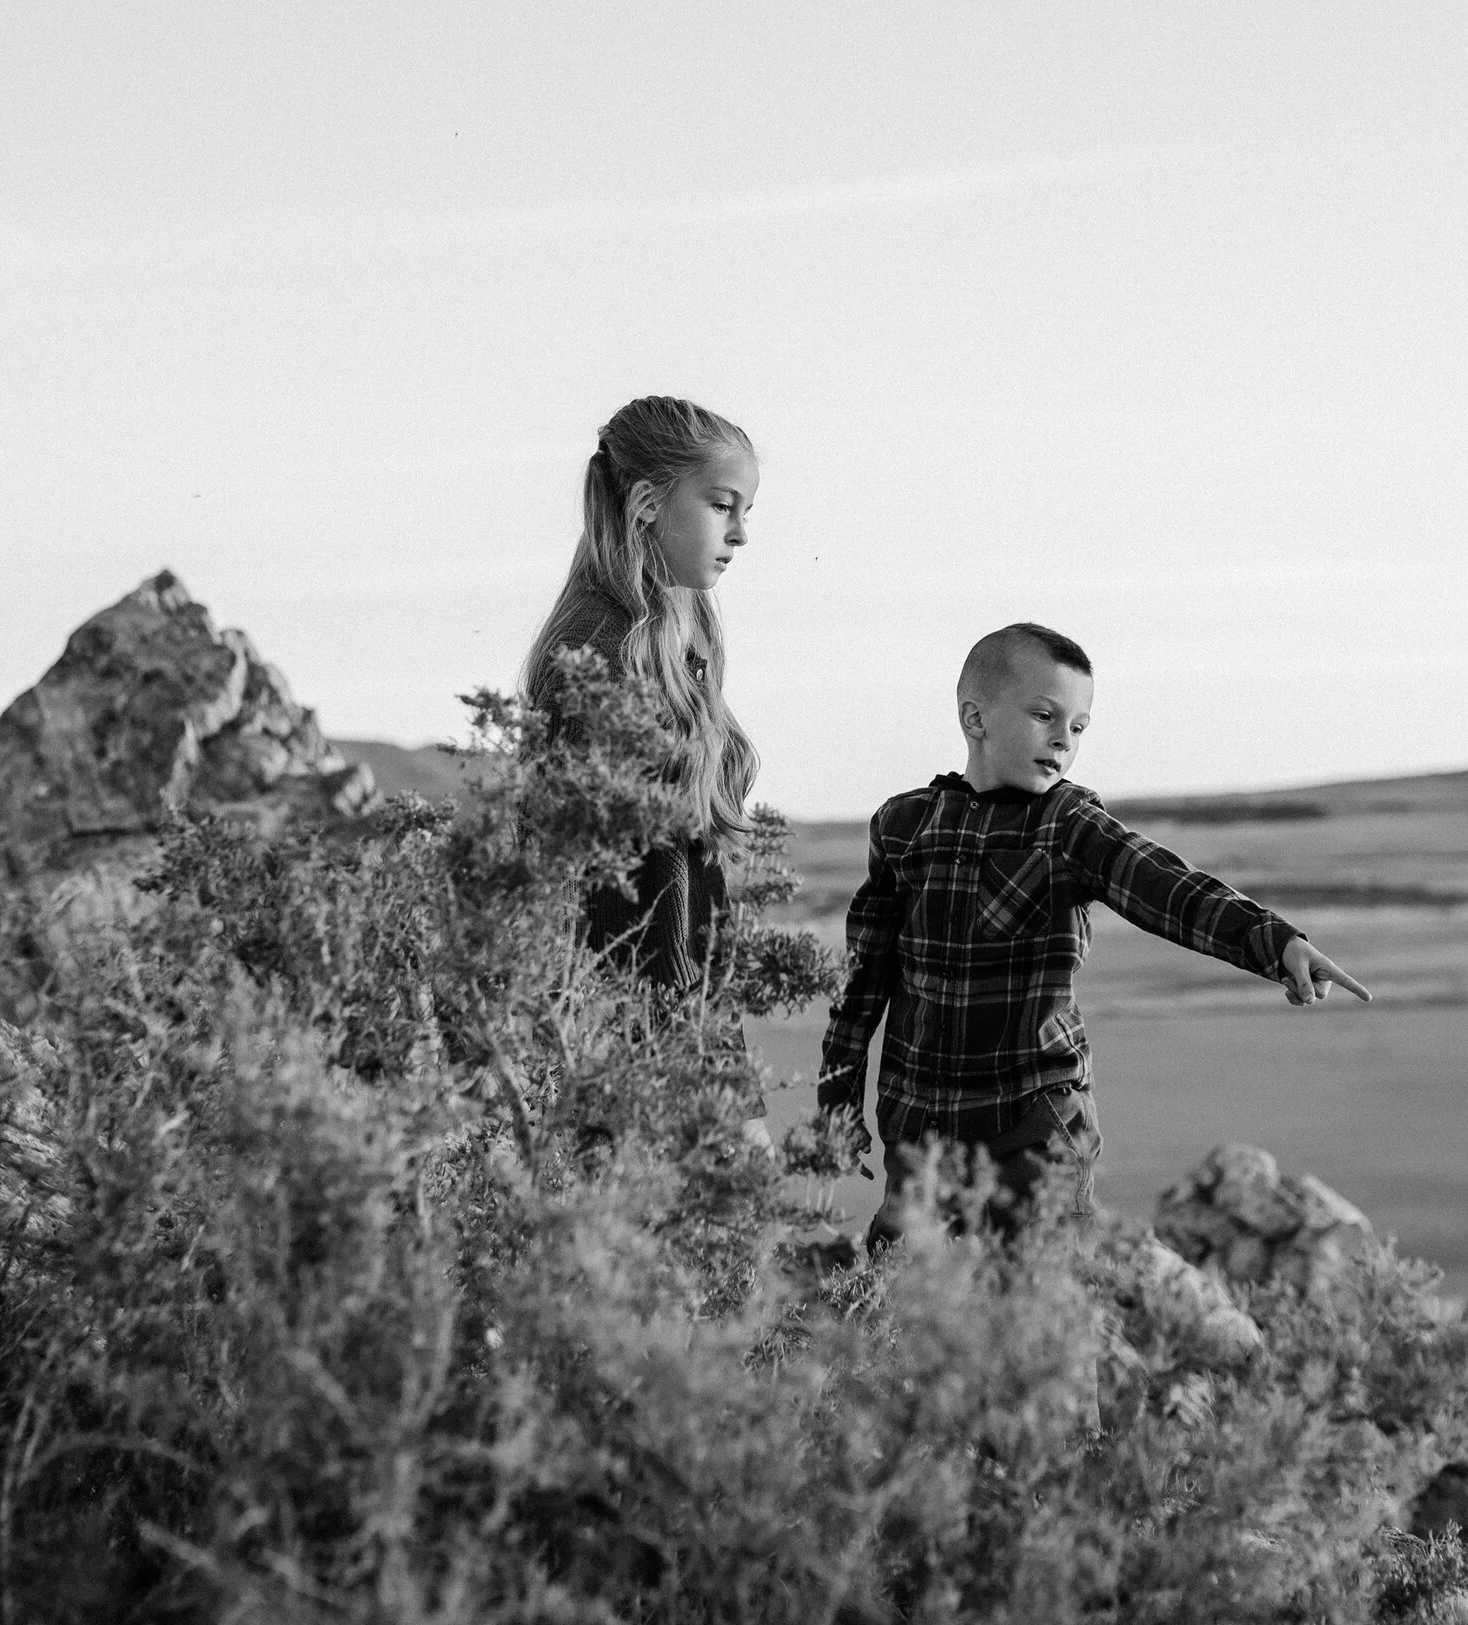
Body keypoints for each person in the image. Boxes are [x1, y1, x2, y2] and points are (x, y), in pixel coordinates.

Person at [816, 622, 1370, 1253]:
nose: (1062, 739)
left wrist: (1273, 942)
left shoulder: (1069, 823)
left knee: (1045, 1310)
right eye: (1044, 715)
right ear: (976, 718)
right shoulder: (903, 825)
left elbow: (1164, 884)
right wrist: (838, 1094)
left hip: (1033, 1125)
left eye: (1078, 728)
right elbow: (863, 979)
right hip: (919, 1128)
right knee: (903, 1303)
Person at [520, 395, 761, 990]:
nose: (740, 534)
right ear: (648, 503)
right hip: (626, 1018)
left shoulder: (679, 642)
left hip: (687, 1004)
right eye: (721, 505)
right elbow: (574, 882)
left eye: (747, 511)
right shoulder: (593, 652)